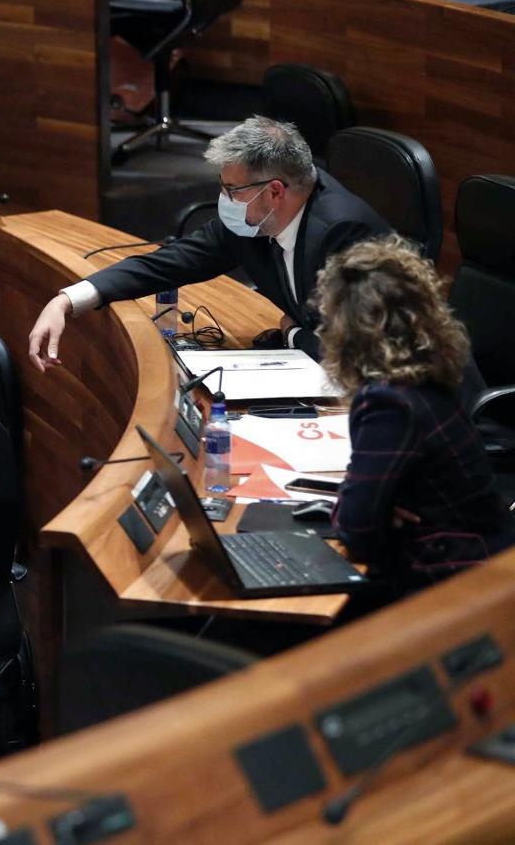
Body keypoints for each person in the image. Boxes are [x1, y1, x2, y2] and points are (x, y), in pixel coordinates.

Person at [28, 116, 390, 370]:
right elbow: (170, 261)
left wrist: (292, 332)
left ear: (275, 191)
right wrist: (68, 300)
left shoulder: (343, 233)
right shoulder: (257, 220)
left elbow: (355, 355)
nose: (224, 199)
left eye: (232, 190)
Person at [316, 235, 515, 592]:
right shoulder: (427, 372)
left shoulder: (388, 403)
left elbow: (356, 528)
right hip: (486, 560)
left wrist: (372, 509)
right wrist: (381, 506)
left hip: (449, 579)